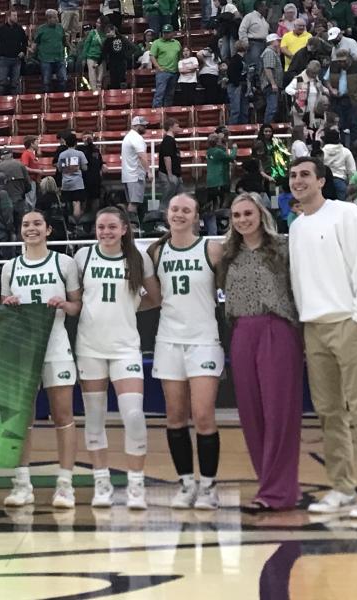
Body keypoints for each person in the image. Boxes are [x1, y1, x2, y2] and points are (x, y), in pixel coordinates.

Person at [287, 157, 357, 519]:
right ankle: (342, 486)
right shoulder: (298, 226)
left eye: (305, 175)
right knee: (329, 412)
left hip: (349, 323)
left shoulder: (346, 214)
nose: (298, 181)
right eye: (293, 176)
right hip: (314, 328)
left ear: (321, 180)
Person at [216, 194, 303, 512]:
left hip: (276, 329)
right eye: (236, 215)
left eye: (247, 213)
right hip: (241, 331)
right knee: (251, 414)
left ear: (260, 214)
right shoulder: (229, 254)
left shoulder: (282, 248)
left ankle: (277, 493)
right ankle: (270, 485)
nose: (241, 219)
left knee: (279, 412)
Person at [75, 207, 162, 509]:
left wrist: (127, 309)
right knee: (95, 418)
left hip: (125, 347)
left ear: (124, 229)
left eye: (112, 227)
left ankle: (136, 484)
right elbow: (77, 299)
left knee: (134, 416)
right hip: (90, 347)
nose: (106, 232)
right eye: (101, 227)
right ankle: (102, 482)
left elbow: (155, 297)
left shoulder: (138, 258)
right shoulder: (82, 258)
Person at [147, 195, 226, 510]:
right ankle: (186, 483)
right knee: (175, 416)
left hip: (204, 339)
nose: (179, 214)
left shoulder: (212, 249)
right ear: (167, 214)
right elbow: (150, 295)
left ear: (196, 217)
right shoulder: (155, 251)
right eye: (175, 209)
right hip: (168, 339)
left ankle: (208, 486)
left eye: (186, 210)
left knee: (204, 416)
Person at [0, 211, 82, 508]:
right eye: (26, 224)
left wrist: (64, 304)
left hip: (57, 346)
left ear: (48, 229)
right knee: (23, 418)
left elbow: (76, 307)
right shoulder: (10, 267)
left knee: (63, 416)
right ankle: (22, 483)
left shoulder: (64, 263)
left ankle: (65, 484)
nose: (31, 228)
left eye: (37, 223)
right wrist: (8, 305)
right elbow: (4, 314)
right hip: (23, 350)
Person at [121, 117, 150, 213]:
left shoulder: (128, 136)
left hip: (128, 175)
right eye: (143, 125)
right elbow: (142, 156)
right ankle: (132, 227)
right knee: (134, 203)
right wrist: (148, 171)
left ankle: (132, 226)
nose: (145, 127)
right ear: (136, 125)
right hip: (135, 175)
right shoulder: (137, 138)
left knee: (132, 202)